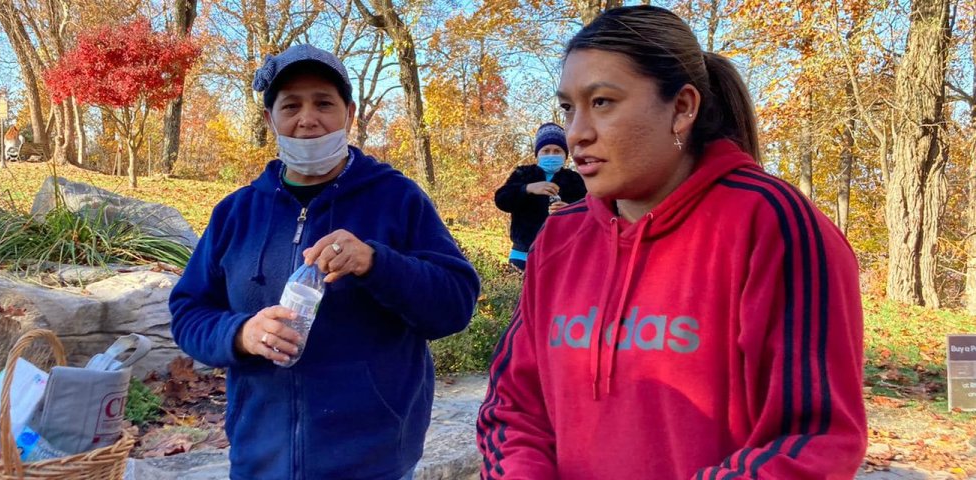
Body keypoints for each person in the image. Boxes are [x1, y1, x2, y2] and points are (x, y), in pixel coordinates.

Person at [476, 5, 866, 479]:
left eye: (601, 102)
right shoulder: (559, 238)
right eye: (567, 107)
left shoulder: (771, 224)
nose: (577, 132)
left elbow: (813, 440)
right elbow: (511, 408)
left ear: (681, 108)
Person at [169, 44, 480, 480]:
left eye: (324, 103)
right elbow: (188, 312)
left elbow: (455, 305)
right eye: (291, 105)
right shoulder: (236, 213)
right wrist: (240, 333)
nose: (307, 118)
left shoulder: (397, 199)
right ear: (269, 120)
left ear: (349, 115)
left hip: (373, 462)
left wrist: (376, 263)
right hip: (259, 461)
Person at [494, 123, 587, 271]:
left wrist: (570, 210)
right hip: (522, 254)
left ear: (565, 155)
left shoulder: (574, 180)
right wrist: (527, 189)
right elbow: (501, 200)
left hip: (562, 255)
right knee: (517, 293)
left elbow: (590, 211)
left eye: (557, 151)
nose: (551, 154)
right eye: (546, 150)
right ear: (537, 154)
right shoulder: (523, 174)